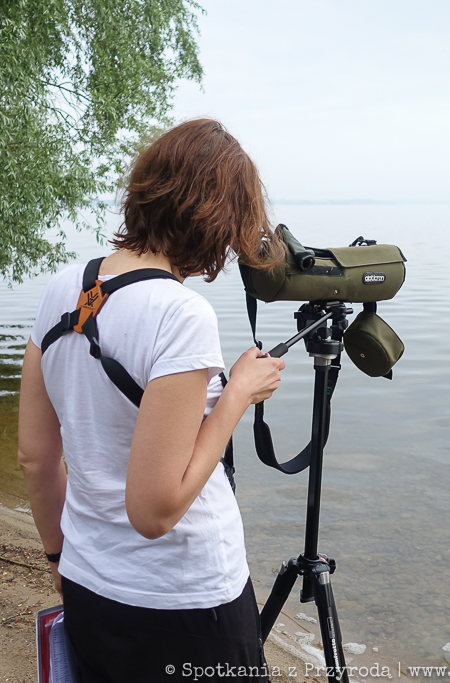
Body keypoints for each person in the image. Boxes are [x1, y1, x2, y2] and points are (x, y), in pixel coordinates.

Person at [17, 118, 286, 682]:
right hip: (185, 601)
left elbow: (36, 458)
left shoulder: (61, 287)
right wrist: (237, 394)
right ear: (217, 219)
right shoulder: (181, 314)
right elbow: (154, 512)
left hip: (88, 581)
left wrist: (58, 557)